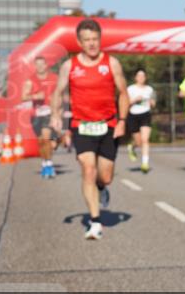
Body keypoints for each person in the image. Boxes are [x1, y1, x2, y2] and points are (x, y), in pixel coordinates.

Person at [50, 19, 130, 241]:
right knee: (88, 169)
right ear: (79, 42)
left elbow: (123, 93)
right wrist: (55, 114)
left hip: (108, 125)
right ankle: (95, 222)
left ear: (100, 39)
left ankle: (102, 188)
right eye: (87, 40)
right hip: (82, 125)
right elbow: (58, 91)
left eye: (95, 39)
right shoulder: (70, 66)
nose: (92, 44)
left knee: (105, 176)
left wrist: (122, 120)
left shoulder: (111, 63)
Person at [22, 56, 59, 177]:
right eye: (37, 64)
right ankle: (45, 163)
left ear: (46, 65)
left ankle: (48, 164)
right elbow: (23, 97)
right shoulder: (30, 80)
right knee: (42, 142)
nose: (40, 67)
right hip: (36, 115)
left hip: (51, 113)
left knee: (48, 140)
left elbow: (62, 92)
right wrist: (35, 96)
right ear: (35, 66)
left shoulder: (54, 78)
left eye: (42, 64)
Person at [126, 69, 155, 173]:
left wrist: (151, 102)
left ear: (145, 78)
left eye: (143, 76)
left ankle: (145, 163)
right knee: (138, 141)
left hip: (145, 114)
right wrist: (135, 100)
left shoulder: (149, 89)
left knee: (145, 139)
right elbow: (125, 103)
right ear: (135, 77)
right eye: (139, 76)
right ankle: (132, 147)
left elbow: (153, 103)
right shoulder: (130, 89)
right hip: (133, 115)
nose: (141, 78)